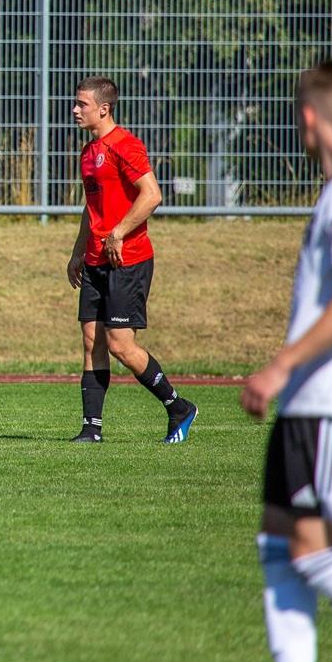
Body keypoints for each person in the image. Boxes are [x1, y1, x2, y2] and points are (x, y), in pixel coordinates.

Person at [241, 59, 332, 662]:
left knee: (309, 548)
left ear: (308, 118)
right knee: (280, 540)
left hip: (326, 403)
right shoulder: (329, 193)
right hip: (304, 404)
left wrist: (281, 366)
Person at [65, 76, 198, 444]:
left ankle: (178, 406)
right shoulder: (89, 153)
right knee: (92, 340)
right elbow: (91, 208)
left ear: (103, 109)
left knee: (121, 345)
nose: (75, 110)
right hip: (95, 260)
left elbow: (152, 195)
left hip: (128, 259)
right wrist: (79, 252)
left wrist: (119, 232)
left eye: (82, 105)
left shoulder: (126, 145)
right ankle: (91, 430)